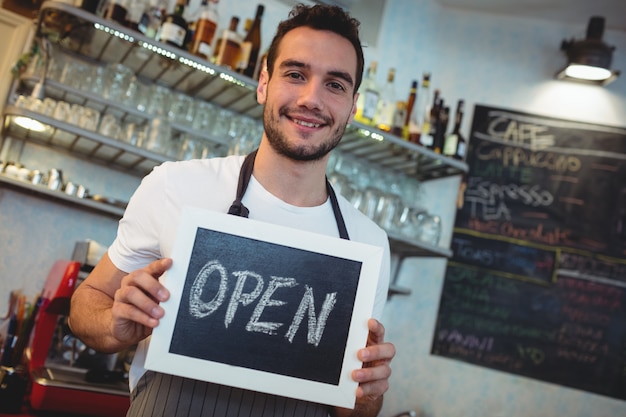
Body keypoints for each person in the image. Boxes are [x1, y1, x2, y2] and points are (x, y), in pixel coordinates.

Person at [69, 3, 395, 417]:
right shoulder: (175, 186)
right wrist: (114, 322)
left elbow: (354, 410)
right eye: (295, 74)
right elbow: (86, 304)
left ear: (351, 107)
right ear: (263, 83)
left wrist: (368, 396)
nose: (311, 98)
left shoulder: (368, 245)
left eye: (335, 85)